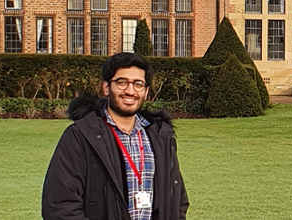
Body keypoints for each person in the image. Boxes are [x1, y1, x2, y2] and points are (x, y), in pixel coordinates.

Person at [42, 52, 189, 220]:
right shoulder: (81, 136)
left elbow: (177, 200)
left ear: (146, 91)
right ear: (106, 87)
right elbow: (59, 206)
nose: (130, 91)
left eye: (138, 84)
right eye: (122, 82)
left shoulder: (160, 137)